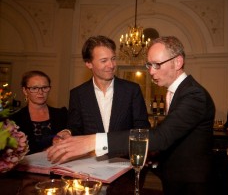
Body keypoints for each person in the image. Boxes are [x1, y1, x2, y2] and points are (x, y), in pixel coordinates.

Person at [47, 36, 216, 195]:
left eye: (156, 64)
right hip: (174, 177)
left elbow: (161, 136)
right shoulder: (177, 92)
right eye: (149, 65)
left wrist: (92, 141)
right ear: (88, 64)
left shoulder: (194, 94)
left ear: (178, 62)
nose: (150, 72)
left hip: (191, 182)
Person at [10, 70, 68, 154]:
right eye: (34, 88)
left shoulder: (62, 114)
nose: (40, 92)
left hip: (59, 164)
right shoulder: (14, 119)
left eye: (44, 87)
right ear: (25, 90)